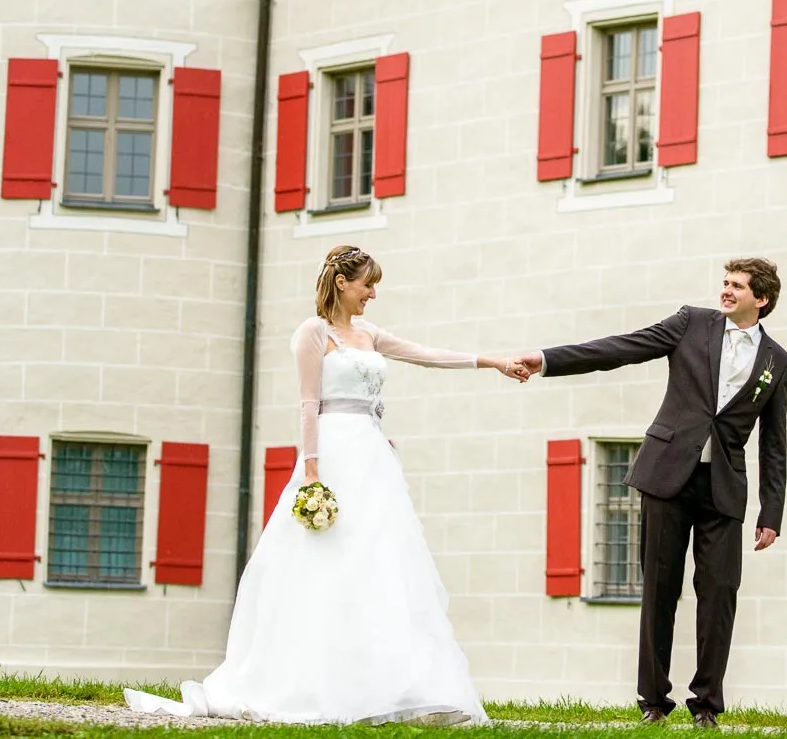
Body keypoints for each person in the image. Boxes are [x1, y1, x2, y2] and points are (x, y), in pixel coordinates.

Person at [125, 245, 529, 724]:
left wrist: (495, 362)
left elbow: (427, 355)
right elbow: (308, 403)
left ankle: (394, 686)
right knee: (327, 560)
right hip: (334, 453)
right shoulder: (312, 333)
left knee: (380, 560)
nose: (372, 294)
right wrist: (312, 470)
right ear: (342, 282)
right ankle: (310, 681)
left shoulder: (369, 334)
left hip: (372, 455)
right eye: (367, 284)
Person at [514, 258, 787, 729]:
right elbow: (623, 347)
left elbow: (774, 443)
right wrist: (547, 359)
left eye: (737, 286)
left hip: (724, 488)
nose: (726, 291)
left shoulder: (777, 362)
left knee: (720, 593)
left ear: (761, 299)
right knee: (660, 588)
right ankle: (653, 701)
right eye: (725, 283)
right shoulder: (691, 323)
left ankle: (706, 705)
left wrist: (772, 513)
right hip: (667, 476)